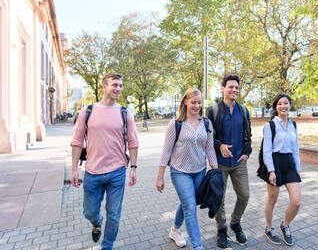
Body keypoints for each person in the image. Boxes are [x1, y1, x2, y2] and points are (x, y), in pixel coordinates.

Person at [70, 73, 139, 250]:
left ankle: (106, 246)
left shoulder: (125, 113)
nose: (118, 89)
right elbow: (77, 142)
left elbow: (133, 142)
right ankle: (97, 221)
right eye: (115, 85)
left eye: (121, 85)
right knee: (89, 212)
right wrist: (74, 170)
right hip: (92, 171)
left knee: (114, 215)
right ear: (104, 87)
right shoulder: (87, 112)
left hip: (117, 172)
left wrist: (133, 168)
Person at [156, 87, 218, 250]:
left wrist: (215, 171)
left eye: (199, 102)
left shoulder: (206, 123)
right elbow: (166, 150)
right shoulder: (175, 124)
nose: (197, 106)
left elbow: (210, 149)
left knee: (188, 202)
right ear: (185, 101)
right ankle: (197, 246)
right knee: (190, 207)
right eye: (193, 102)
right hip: (179, 171)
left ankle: (175, 230)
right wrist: (160, 176)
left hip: (199, 171)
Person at [206, 75, 252, 248]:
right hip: (219, 163)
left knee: (245, 195)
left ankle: (235, 222)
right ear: (223, 88)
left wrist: (247, 152)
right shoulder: (213, 110)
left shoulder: (244, 110)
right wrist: (219, 146)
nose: (234, 90)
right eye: (231, 87)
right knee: (219, 197)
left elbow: (248, 134)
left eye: (236, 88)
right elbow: (208, 135)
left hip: (239, 161)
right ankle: (222, 228)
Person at [257, 94, 301, 246]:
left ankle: (285, 225)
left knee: (296, 202)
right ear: (276, 107)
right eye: (280, 104)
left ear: (290, 106)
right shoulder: (270, 125)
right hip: (275, 163)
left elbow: (295, 148)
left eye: (286, 103)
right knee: (273, 199)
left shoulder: (293, 124)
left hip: (289, 164)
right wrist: (271, 170)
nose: (283, 106)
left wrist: (298, 168)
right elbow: (267, 150)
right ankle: (269, 228)